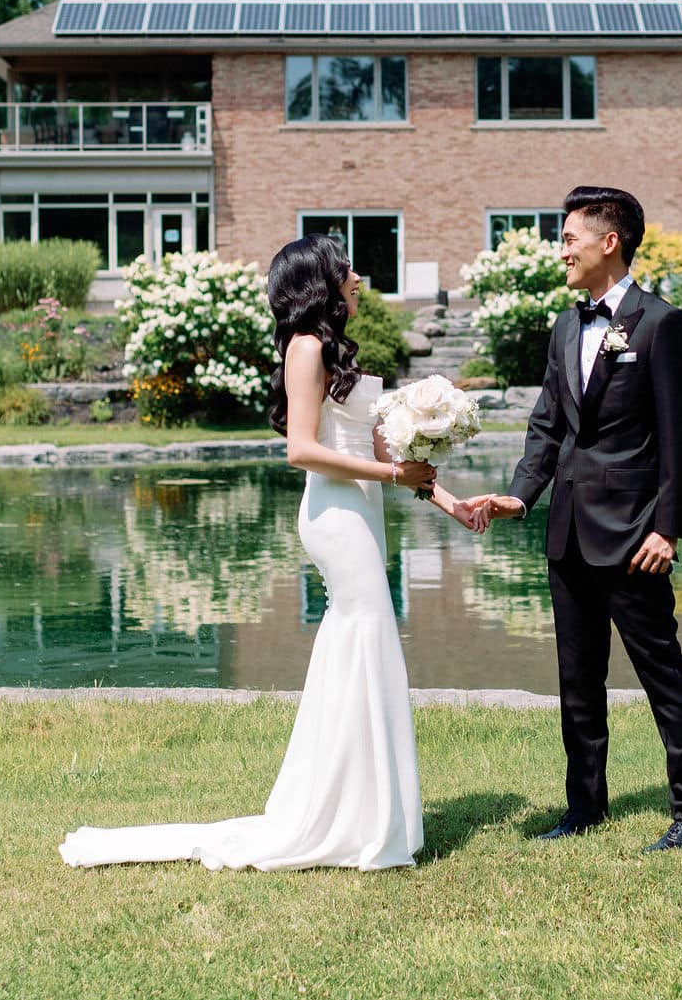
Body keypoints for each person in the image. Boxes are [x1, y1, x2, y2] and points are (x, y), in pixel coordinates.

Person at [58, 235, 486, 872]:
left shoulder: (338, 352)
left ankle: (366, 811)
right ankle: (355, 819)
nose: (359, 276)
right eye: (347, 268)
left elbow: (387, 457)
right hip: (335, 515)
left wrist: (453, 504)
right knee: (366, 634)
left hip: (361, 508)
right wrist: (389, 480)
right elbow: (302, 450)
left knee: (364, 641)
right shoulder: (306, 348)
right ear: (322, 282)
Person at [464, 186, 682, 852]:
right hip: (568, 530)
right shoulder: (566, 326)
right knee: (577, 683)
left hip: (635, 533)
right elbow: (548, 425)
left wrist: (667, 528)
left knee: (663, 674)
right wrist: (521, 494)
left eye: (571, 236)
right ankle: (584, 808)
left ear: (611, 242)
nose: (562, 249)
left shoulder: (662, 324)